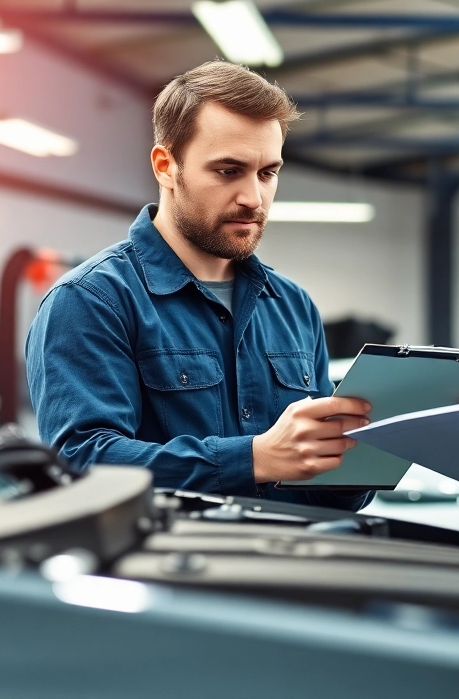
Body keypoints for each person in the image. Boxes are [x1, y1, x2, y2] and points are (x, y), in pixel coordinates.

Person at [25, 61, 372, 510]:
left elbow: (323, 485)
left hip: (292, 563)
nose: (253, 198)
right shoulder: (91, 302)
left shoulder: (292, 306)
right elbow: (80, 463)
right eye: (229, 171)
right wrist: (252, 459)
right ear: (166, 166)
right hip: (167, 571)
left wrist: (369, 453)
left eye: (267, 173)